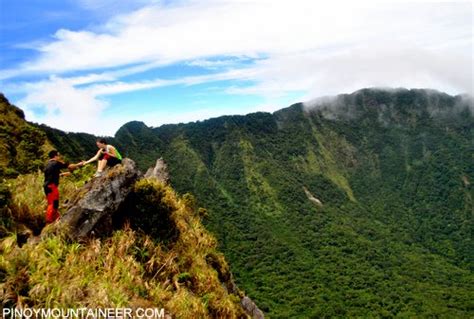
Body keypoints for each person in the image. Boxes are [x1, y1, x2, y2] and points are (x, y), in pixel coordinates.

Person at [44, 150, 81, 224]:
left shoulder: (48, 164)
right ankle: (49, 220)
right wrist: (79, 164)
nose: (59, 157)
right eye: (58, 155)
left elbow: (52, 174)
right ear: (55, 156)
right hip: (52, 186)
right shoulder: (56, 163)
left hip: (46, 186)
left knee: (52, 202)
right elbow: (69, 166)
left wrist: (63, 174)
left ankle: (55, 218)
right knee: (54, 203)